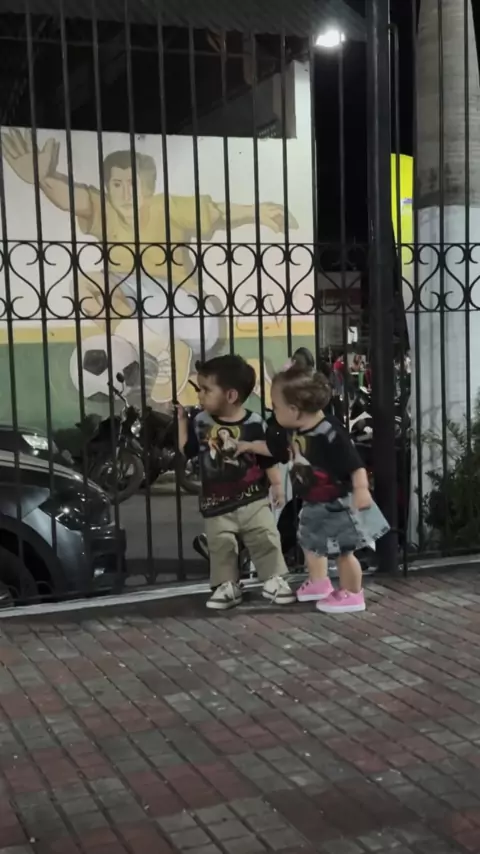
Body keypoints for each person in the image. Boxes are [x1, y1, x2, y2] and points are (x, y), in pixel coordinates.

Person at [2, 129, 298, 403]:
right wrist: (42, 178)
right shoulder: (103, 210)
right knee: (171, 396)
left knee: (88, 285)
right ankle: (246, 372)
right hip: (152, 321)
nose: (125, 193)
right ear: (107, 188)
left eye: (134, 184)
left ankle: (165, 350)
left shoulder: (165, 207)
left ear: (149, 186)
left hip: (186, 309)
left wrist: (257, 211)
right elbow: (72, 199)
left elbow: (215, 212)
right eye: (117, 185)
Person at [236, 366, 389, 614]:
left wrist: (361, 489)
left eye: (276, 406)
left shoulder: (329, 432)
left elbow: (355, 463)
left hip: (338, 503)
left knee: (344, 551)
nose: (273, 411)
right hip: (313, 501)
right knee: (310, 542)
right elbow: (279, 451)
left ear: (294, 410)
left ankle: (353, 594)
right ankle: (319, 582)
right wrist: (250, 446)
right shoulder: (297, 430)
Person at [177, 354, 295, 611]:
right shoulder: (200, 422)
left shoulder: (255, 424)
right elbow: (188, 450)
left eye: (206, 389)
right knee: (221, 545)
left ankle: (274, 579)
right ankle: (227, 585)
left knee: (265, 537)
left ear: (230, 395)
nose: (200, 395)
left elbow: (267, 458)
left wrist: (276, 485)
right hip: (216, 503)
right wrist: (182, 423)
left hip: (253, 499)